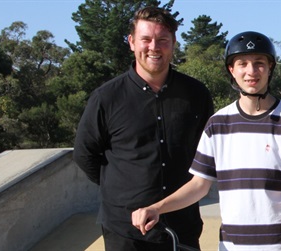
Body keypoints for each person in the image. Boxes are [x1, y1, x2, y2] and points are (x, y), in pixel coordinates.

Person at [132, 31, 281, 251]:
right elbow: (199, 186)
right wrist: (157, 208)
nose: (251, 71)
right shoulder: (217, 125)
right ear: (232, 70)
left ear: (270, 68)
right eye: (242, 64)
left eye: (259, 63)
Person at [73, 6, 214, 251]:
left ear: (173, 43)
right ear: (131, 42)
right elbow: (85, 154)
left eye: (162, 40)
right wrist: (122, 190)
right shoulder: (106, 98)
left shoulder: (197, 95)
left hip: (182, 229)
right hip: (125, 233)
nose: (153, 47)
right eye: (146, 39)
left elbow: (207, 155)